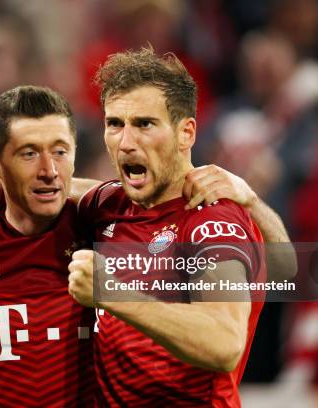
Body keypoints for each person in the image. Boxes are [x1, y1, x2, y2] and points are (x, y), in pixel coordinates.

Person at [66, 48, 269, 406]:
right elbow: (32, 185)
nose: (126, 142)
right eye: (114, 124)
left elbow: (225, 343)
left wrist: (111, 293)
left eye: (144, 124)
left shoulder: (212, 221)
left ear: (186, 133)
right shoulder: (108, 205)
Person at [0, 85, 95, 407]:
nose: (49, 171)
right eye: (29, 153)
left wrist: (232, 189)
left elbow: (211, 279)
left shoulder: (103, 231)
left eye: (60, 151)